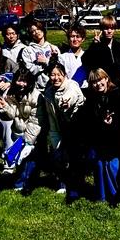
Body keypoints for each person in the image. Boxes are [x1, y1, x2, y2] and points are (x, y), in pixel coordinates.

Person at [38, 60, 86, 196]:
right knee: (59, 156)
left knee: (75, 158)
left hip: (76, 127)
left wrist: (66, 103)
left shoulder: (72, 86)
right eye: (52, 75)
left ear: (64, 75)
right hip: (59, 127)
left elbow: (70, 97)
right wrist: (53, 135)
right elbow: (51, 117)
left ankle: (77, 184)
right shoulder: (48, 93)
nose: (56, 78)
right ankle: (62, 182)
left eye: (59, 74)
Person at [80, 68, 120, 205]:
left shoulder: (118, 94)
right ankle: (101, 195)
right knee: (99, 165)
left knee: (111, 166)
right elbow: (88, 118)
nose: (98, 84)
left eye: (100, 80)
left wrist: (113, 121)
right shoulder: (91, 98)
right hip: (98, 138)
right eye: (94, 82)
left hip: (115, 138)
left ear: (106, 79)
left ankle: (114, 195)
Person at [0, 70, 42, 191]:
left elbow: (36, 121)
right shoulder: (11, 93)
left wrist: (29, 142)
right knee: (20, 160)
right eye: (19, 80)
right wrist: (4, 107)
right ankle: (20, 182)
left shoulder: (36, 96)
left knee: (31, 159)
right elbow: (13, 114)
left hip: (34, 132)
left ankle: (27, 183)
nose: (22, 84)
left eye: (25, 81)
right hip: (18, 130)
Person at [81, 15, 120, 85]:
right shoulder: (97, 46)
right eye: (106, 28)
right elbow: (85, 60)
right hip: (102, 83)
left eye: (112, 28)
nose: (109, 31)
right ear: (101, 29)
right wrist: (94, 45)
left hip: (118, 84)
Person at [20, 19, 59, 91]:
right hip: (37, 89)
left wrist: (46, 61)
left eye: (38, 29)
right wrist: (43, 65)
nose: (36, 32)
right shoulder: (27, 50)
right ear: (31, 34)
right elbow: (30, 70)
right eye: (33, 31)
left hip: (54, 87)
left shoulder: (53, 48)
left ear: (43, 30)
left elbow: (60, 68)